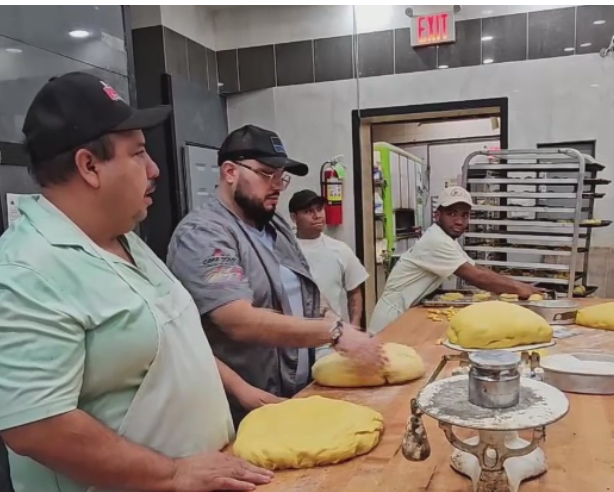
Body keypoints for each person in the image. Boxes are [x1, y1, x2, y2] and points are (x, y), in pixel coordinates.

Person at [0, 73, 272, 492]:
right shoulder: (24, 273)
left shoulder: (124, 238)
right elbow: (38, 428)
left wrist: (241, 390)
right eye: (138, 153)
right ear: (89, 166)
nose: (154, 169)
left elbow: (171, 335)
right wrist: (175, 472)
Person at [168, 125, 388, 411]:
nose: (277, 185)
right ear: (230, 172)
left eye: (281, 177)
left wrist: (340, 323)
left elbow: (305, 288)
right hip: (242, 403)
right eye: (265, 174)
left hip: (294, 389)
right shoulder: (203, 234)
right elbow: (237, 320)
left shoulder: (275, 224)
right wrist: (333, 332)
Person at [367, 185, 539, 332]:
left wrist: (521, 285)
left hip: (403, 316)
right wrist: (519, 289)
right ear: (437, 215)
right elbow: (477, 277)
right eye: (451, 213)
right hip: (390, 322)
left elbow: (477, 268)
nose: (459, 221)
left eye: (464, 215)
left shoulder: (446, 239)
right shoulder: (435, 240)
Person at [288, 188, 368, 326]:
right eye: (308, 211)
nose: (317, 215)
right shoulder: (284, 250)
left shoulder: (340, 249)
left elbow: (354, 291)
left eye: (319, 209)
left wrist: (354, 327)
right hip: (294, 337)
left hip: (330, 338)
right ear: (294, 218)